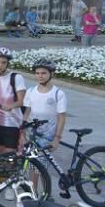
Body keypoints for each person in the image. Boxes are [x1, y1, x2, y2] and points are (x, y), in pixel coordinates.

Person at [23, 59, 68, 196]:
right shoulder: (30, 91)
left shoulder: (57, 94)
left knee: (40, 166)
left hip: (48, 134)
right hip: (33, 133)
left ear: (51, 74)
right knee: (33, 165)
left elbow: (61, 117)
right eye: (37, 73)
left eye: (43, 73)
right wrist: (22, 132)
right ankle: (35, 193)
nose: (40, 76)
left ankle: (44, 194)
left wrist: (57, 138)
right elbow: (27, 113)